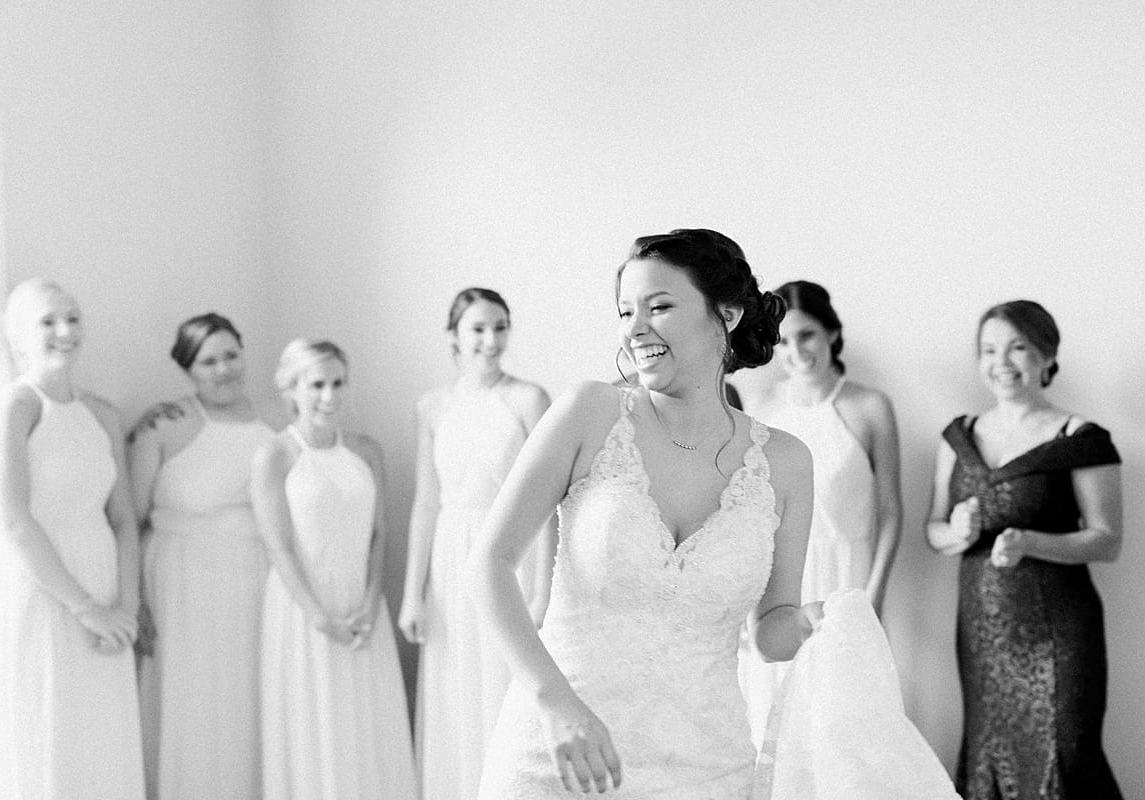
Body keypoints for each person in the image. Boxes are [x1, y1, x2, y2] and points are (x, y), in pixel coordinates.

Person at [469, 230, 822, 797]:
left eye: (659, 306)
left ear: (725, 315)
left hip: (706, 766)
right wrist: (556, 705)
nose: (635, 328)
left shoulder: (786, 462)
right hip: (559, 755)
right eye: (625, 311)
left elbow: (772, 628)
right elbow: (488, 562)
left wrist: (815, 622)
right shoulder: (590, 412)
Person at [926, 300, 1123, 799]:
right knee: (991, 751)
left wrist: (1031, 542)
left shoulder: (1080, 438)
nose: (1002, 363)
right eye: (989, 350)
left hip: (1058, 629)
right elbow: (934, 531)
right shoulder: (958, 436)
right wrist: (959, 531)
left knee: (1067, 750)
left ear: (1046, 355)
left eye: (1017, 348)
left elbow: (1107, 539)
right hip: (983, 632)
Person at [0, 278, 145, 800]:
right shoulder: (16, 405)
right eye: (49, 321)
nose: (65, 331)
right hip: (48, 588)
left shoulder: (103, 413)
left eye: (74, 318)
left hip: (106, 584)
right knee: (52, 731)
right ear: (18, 336)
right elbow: (14, 521)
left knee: (105, 736)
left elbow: (123, 516)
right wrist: (86, 609)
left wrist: (127, 606)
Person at [397, 287, 554, 800]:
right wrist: (412, 594)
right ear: (454, 337)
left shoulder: (529, 399)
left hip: (513, 550)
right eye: (479, 329)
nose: (491, 340)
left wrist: (544, 590)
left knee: (509, 685)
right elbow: (426, 501)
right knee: (456, 689)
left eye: (500, 327)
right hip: (451, 557)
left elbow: (551, 499)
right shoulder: (432, 406)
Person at [739, 280, 902, 746]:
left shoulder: (870, 407)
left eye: (806, 335)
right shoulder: (763, 406)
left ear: (831, 332)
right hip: (778, 584)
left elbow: (891, 511)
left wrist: (874, 595)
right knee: (778, 720)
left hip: (848, 579)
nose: (796, 351)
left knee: (846, 726)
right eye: (784, 340)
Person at [252, 339, 416, 800]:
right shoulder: (275, 455)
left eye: (337, 383)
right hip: (303, 607)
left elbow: (380, 534)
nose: (329, 396)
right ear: (292, 389)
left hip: (363, 603)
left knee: (365, 718)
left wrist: (369, 603)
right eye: (317, 384)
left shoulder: (366, 450)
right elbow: (278, 545)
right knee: (314, 719)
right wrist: (318, 616)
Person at [129, 313, 273, 800]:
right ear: (188, 369)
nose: (224, 368)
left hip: (255, 575)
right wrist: (135, 602)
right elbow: (131, 518)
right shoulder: (162, 424)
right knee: (192, 697)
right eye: (208, 360)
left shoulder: (271, 418)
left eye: (231, 355)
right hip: (182, 576)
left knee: (246, 697)